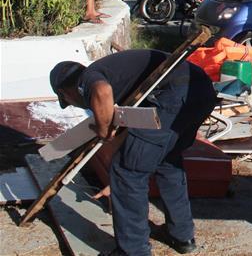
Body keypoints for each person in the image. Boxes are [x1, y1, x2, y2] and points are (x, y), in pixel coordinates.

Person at [48, 50, 218, 255]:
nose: (74, 104)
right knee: (167, 161)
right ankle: (181, 236)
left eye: (68, 101)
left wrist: (103, 132)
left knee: (128, 172)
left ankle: (133, 250)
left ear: (65, 92)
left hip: (174, 93)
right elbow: (129, 133)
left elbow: (102, 92)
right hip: (200, 90)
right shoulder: (113, 72)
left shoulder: (87, 78)